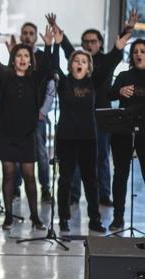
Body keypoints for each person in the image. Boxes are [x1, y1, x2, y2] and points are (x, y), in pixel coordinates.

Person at [52, 10, 141, 206]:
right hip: (79, 116)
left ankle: (103, 195)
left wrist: (128, 29)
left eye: (93, 41)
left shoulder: (105, 61)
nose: (89, 44)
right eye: (86, 41)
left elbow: (118, 49)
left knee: (101, 158)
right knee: (75, 161)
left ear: (100, 43)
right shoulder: (79, 60)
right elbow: (66, 47)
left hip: (103, 115)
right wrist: (58, 32)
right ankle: (74, 196)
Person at [0, 25, 50, 230]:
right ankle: (9, 216)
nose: (22, 59)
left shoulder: (35, 78)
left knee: (30, 175)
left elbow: (47, 66)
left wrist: (48, 46)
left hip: (27, 134)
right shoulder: (5, 76)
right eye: (19, 55)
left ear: (31, 60)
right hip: (6, 133)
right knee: (9, 173)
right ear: (13, 59)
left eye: (26, 56)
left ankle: (36, 217)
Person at [108, 38, 145, 231]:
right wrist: (120, 90)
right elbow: (109, 94)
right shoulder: (123, 75)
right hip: (123, 130)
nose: (139, 54)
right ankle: (118, 217)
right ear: (131, 56)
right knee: (120, 175)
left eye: (143, 51)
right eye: (136, 51)